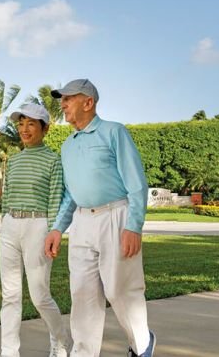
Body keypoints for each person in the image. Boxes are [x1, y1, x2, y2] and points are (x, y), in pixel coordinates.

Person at [43, 79, 156, 357]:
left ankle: (142, 345)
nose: (63, 104)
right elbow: (70, 194)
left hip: (115, 216)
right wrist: (58, 228)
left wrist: (133, 225)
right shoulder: (67, 146)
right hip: (82, 222)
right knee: (82, 294)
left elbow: (137, 183)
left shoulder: (113, 132)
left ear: (88, 102)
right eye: (62, 99)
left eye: (69, 98)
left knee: (120, 291)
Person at [0, 103, 70, 357]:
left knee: (39, 296)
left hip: (38, 226)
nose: (24, 129)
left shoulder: (54, 160)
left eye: (31, 124)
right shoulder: (15, 160)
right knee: (10, 295)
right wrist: (4, 222)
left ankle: (60, 341)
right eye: (21, 123)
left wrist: (53, 232)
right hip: (10, 226)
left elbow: (54, 200)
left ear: (45, 128)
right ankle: (9, 352)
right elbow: (6, 196)